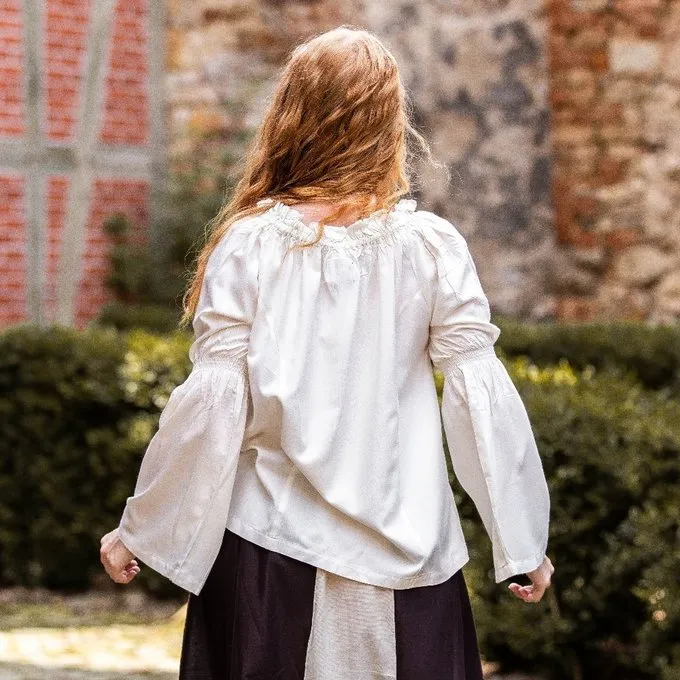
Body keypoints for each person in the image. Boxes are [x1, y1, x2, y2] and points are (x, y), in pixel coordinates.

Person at [100, 25, 553, 679]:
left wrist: (140, 528)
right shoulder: (431, 249)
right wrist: (522, 540)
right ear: (389, 122)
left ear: (290, 116)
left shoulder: (249, 246)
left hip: (268, 557)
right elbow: (476, 398)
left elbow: (213, 409)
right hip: (406, 558)